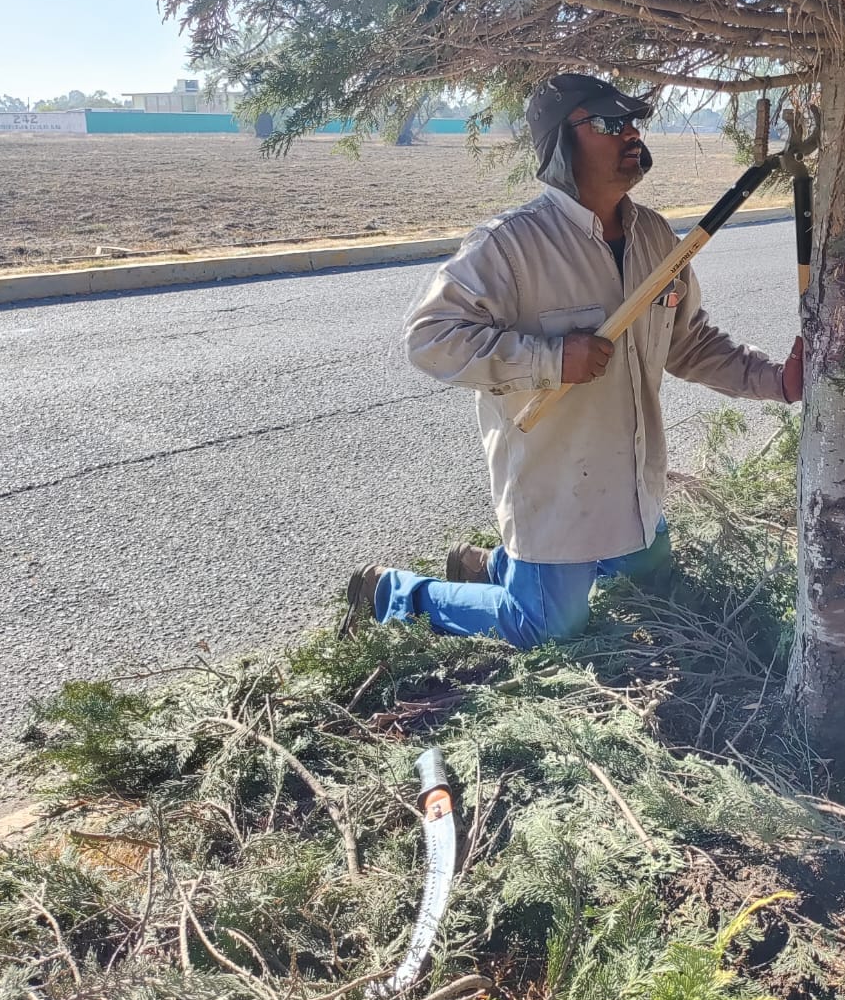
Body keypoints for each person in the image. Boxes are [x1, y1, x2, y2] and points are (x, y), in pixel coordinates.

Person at [339, 72, 803, 648]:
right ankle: (393, 593)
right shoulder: (510, 246)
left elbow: (688, 342)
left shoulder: (658, 239)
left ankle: (493, 568)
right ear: (564, 141)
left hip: (635, 486)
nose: (631, 133)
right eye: (610, 123)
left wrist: (775, 380)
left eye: (633, 122)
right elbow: (429, 338)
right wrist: (551, 358)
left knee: (653, 587)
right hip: (556, 494)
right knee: (548, 627)